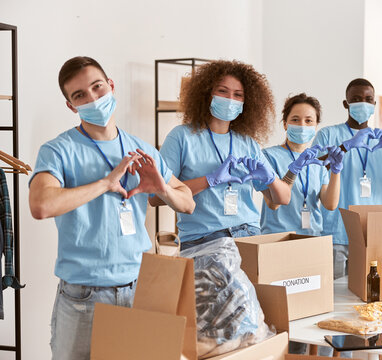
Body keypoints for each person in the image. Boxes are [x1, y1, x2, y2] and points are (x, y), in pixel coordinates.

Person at [28, 56, 195, 360]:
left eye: (97, 87)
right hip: (83, 297)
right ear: (71, 106)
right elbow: (41, 205)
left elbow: (188, 202)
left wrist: (162, 189)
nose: (92, 98)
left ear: (111, 86)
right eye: (80, 95)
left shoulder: (141, 149)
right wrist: (105, 183)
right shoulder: (57, 150)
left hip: (139, 290)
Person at [154, 60, 291, 248]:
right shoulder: (182, 137)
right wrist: (210, 180)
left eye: (238, 95)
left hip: (249, 235)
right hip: (204, 239)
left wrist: (270, 179)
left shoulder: (248, 143)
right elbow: (155, 197)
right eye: (222, 91)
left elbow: (283, 198)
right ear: (207, 94)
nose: (230, 99)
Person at [312, 78, 382, 280]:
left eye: (368, 99)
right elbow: (314, 167)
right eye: (355, 99)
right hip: (336, 234)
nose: (362, 103)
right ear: (345, 104)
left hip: (373, 236)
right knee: (334, 300)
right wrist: (347, 146)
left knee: (369, 298)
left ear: (374, 105)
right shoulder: (328, 135)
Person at [257, 93, 342, 237]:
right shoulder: (268, 156)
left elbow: (330, 204)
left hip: (312, 237)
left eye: (309, 121)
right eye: (295, 120)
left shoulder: (317, 161)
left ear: (316, 126)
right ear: (285, 124)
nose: (302, 125)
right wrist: (293, 170)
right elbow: (273, 204)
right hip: (278, 238)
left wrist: (336, 170)